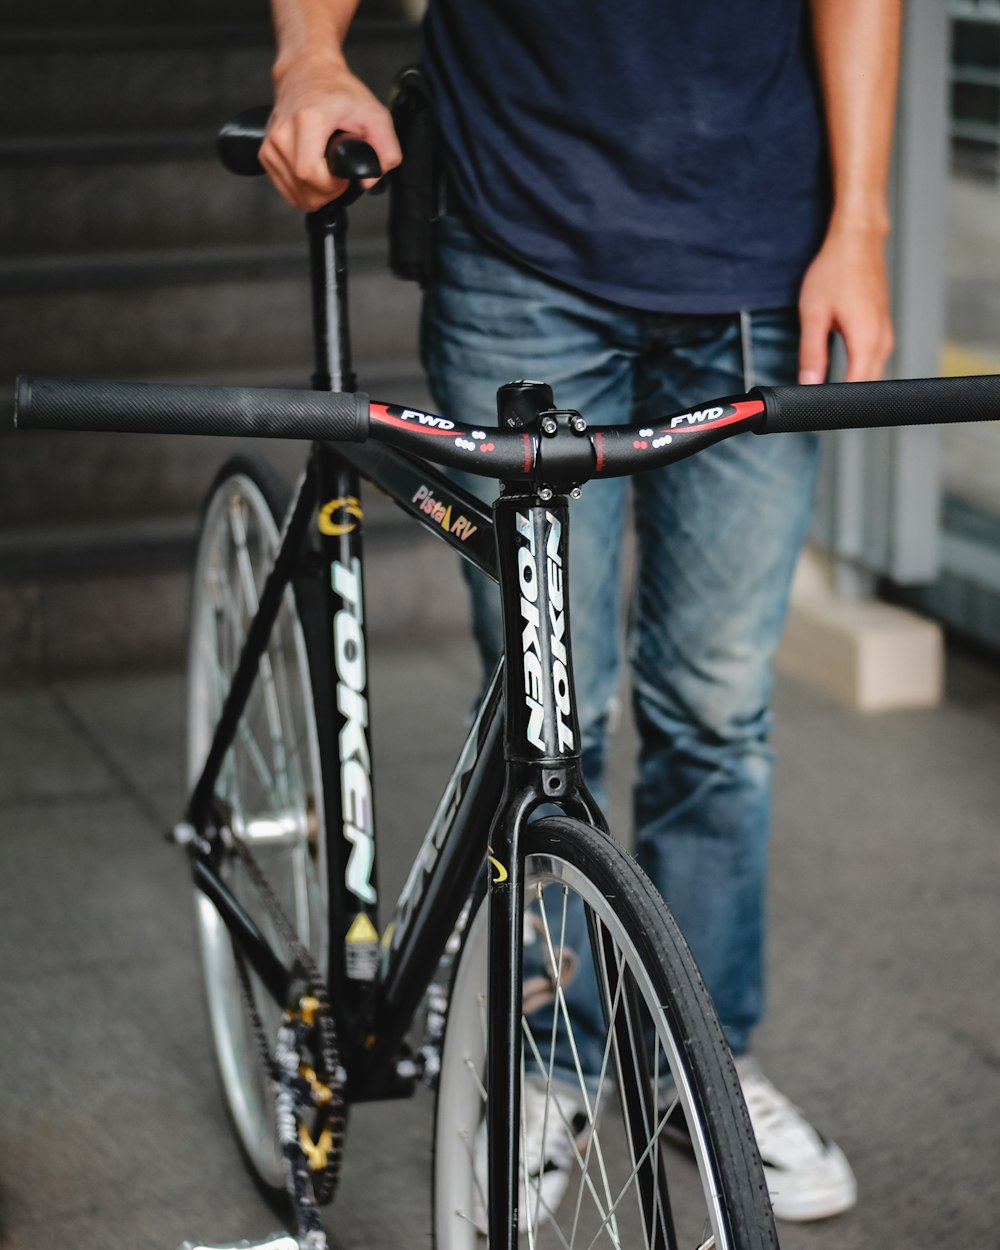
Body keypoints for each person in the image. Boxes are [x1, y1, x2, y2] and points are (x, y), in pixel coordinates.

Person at [260, 0, 901, 1224]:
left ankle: (693, 1059)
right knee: (549, 703)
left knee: (718, 703)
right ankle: (549, 1059)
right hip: (520, 245)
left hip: (762, 258)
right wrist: (311, 55)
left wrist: (861, 223)